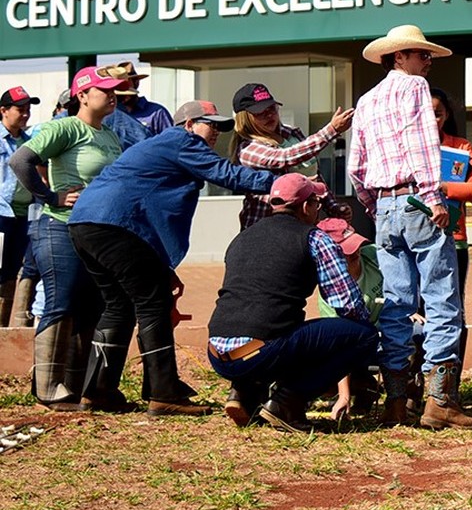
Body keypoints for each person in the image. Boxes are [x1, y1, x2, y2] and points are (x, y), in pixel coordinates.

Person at [67, 100, 277, 416]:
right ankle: (163, 394)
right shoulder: (182, 140)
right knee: (154, 304)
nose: (216, 133)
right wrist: (282, 182)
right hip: (117, 224)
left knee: (118, 306)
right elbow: (227, 175)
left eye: (220, 127)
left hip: (87, 223)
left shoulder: (164, 144)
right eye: (211, 124)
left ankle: (98, 392)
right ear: (189, 124)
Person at [349, 24, 472, 430]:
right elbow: (424, 147)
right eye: (421, 54)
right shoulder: (413, 92)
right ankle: (441, 400)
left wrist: (374, 206)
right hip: (416, 198)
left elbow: (357, 166)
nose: (427, 61)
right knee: (442, 297)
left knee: (395, 303)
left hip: (387, 204)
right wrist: (432, 198)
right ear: (400, 57)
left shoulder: (367, 100)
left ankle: (396, 400)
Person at [207, 173, 378, 432]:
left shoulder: (242, 238)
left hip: (217, 353)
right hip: (262, 350)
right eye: (317, 204)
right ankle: (287, 402)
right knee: (363, 336)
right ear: (307, 206)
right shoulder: (314, 238)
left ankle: (243, 392)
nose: (318, 211)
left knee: (276, 330)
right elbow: (347, 304)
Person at [10, 66, 125, 409]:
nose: (113, 94)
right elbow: (21, 161)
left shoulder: (110, 135)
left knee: (92, 306)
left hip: (96, 233)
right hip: (59, 226)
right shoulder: (65, 128)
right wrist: (50, 196)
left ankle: (78, 386)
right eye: (105, 90)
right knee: (61, 302)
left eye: (115, 89)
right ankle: (47, 387)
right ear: (83, 95)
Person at [228, 82, 354, 231]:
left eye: (272, 108)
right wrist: (331, 130)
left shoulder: (292, 134)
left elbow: (313, 176)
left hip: (302, 225)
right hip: (265, 229)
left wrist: (333, 207)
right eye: (260, 112)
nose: (269, 115)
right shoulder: (247, 148)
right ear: (245, 118)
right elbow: (285, 157)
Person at [429, 87, 472, 335]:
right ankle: (420, 371)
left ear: (447, 115)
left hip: (455, 238)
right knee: (419, 308)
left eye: (438, 113)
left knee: (453, 306)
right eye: (427, 114)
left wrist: (444, 187)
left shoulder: (461, 148)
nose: (433, 120)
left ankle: (452, 372)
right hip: (418, 237)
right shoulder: (408, 148)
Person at [317, 217, 385, 417]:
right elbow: (340, 345)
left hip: (388, 330)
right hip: (357, 345)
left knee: (416, 333)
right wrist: (344, 396)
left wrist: (407, 308)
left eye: (354, 245)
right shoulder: (329, 292)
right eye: (346, 249)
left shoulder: (372, 255)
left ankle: (405, 396)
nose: (354, 252)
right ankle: (361, 388)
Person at [1, 86, 39, 327]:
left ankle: (3, 328)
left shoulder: (30, 142)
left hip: (22, 214)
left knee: (12, 269)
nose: (25, 114)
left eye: (28, 109)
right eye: (19, 109)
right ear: (3, 110)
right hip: (0, 213)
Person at [112, 61, 172, 135]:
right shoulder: (110, 114)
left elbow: (170, 141)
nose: (123, 97)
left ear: (136, 83)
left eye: (125, 85)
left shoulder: (157, 113)